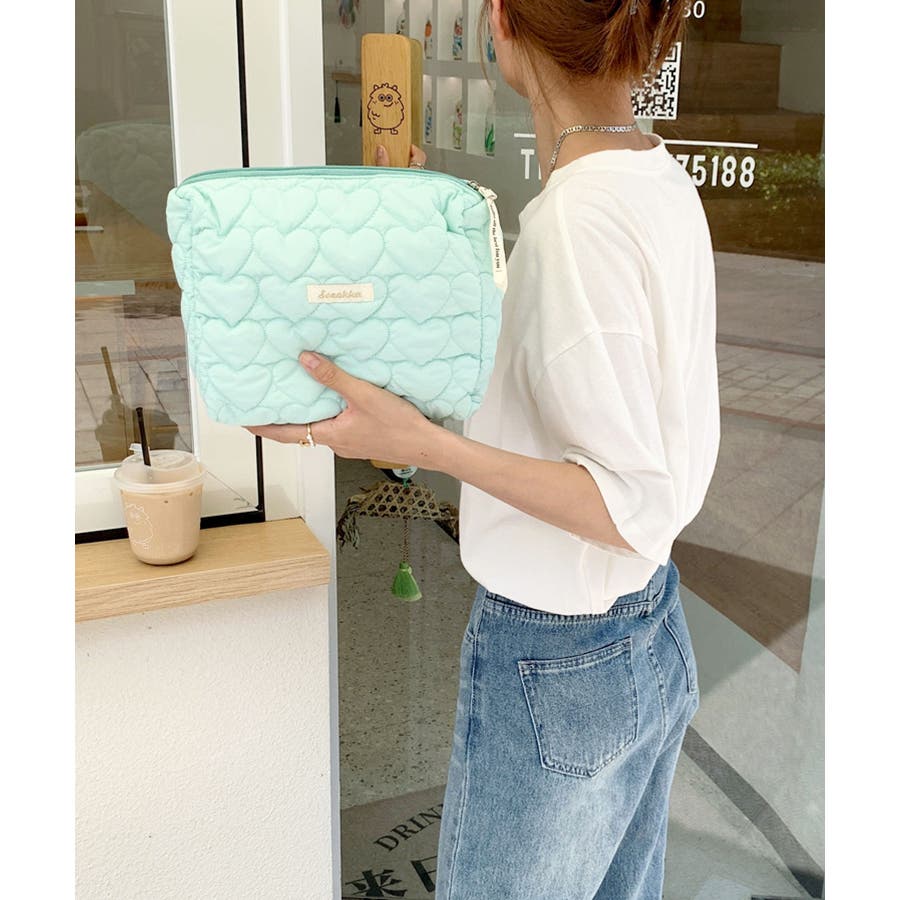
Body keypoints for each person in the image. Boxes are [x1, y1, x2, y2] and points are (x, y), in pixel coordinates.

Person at [249, 1, 719, 896]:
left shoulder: (576, 221)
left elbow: (627, 503)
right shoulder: (655, 177)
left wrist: (426, 445)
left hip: (560, 656)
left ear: (500, 21)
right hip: (649, 623)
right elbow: (567, 374)